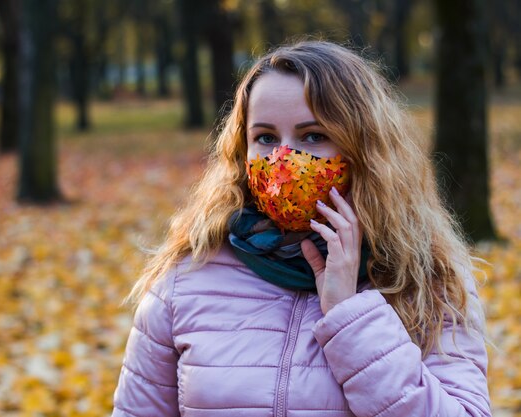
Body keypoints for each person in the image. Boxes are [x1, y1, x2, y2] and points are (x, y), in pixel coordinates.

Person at [111, 40, 491, 417]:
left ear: (364, 149)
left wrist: (351, 315)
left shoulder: (426, 281)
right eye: (266, 138)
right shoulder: (188, 277)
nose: (284, 160)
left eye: (313, 136)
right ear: (243, 151)